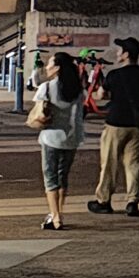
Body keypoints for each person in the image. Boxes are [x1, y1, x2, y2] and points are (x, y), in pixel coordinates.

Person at [88, 35, 139, 215]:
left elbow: (101, 95)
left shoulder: (114, 75)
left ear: (125, 54)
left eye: (120, 50)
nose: (117, 53)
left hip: (116, 122)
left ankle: (104, 200)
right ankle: (133, 201)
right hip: (137, 124)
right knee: (133, 164)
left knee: (110, 163)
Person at [32, 52, 85, 230]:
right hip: (72, 138)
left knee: (50, 177)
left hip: (51, 137)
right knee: (63, 177)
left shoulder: (46, 87)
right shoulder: (78, 90)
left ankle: (55, 217)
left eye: (50, 64)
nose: (47, 67)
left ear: (57, 68)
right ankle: (59, 213)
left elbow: (38, 113)